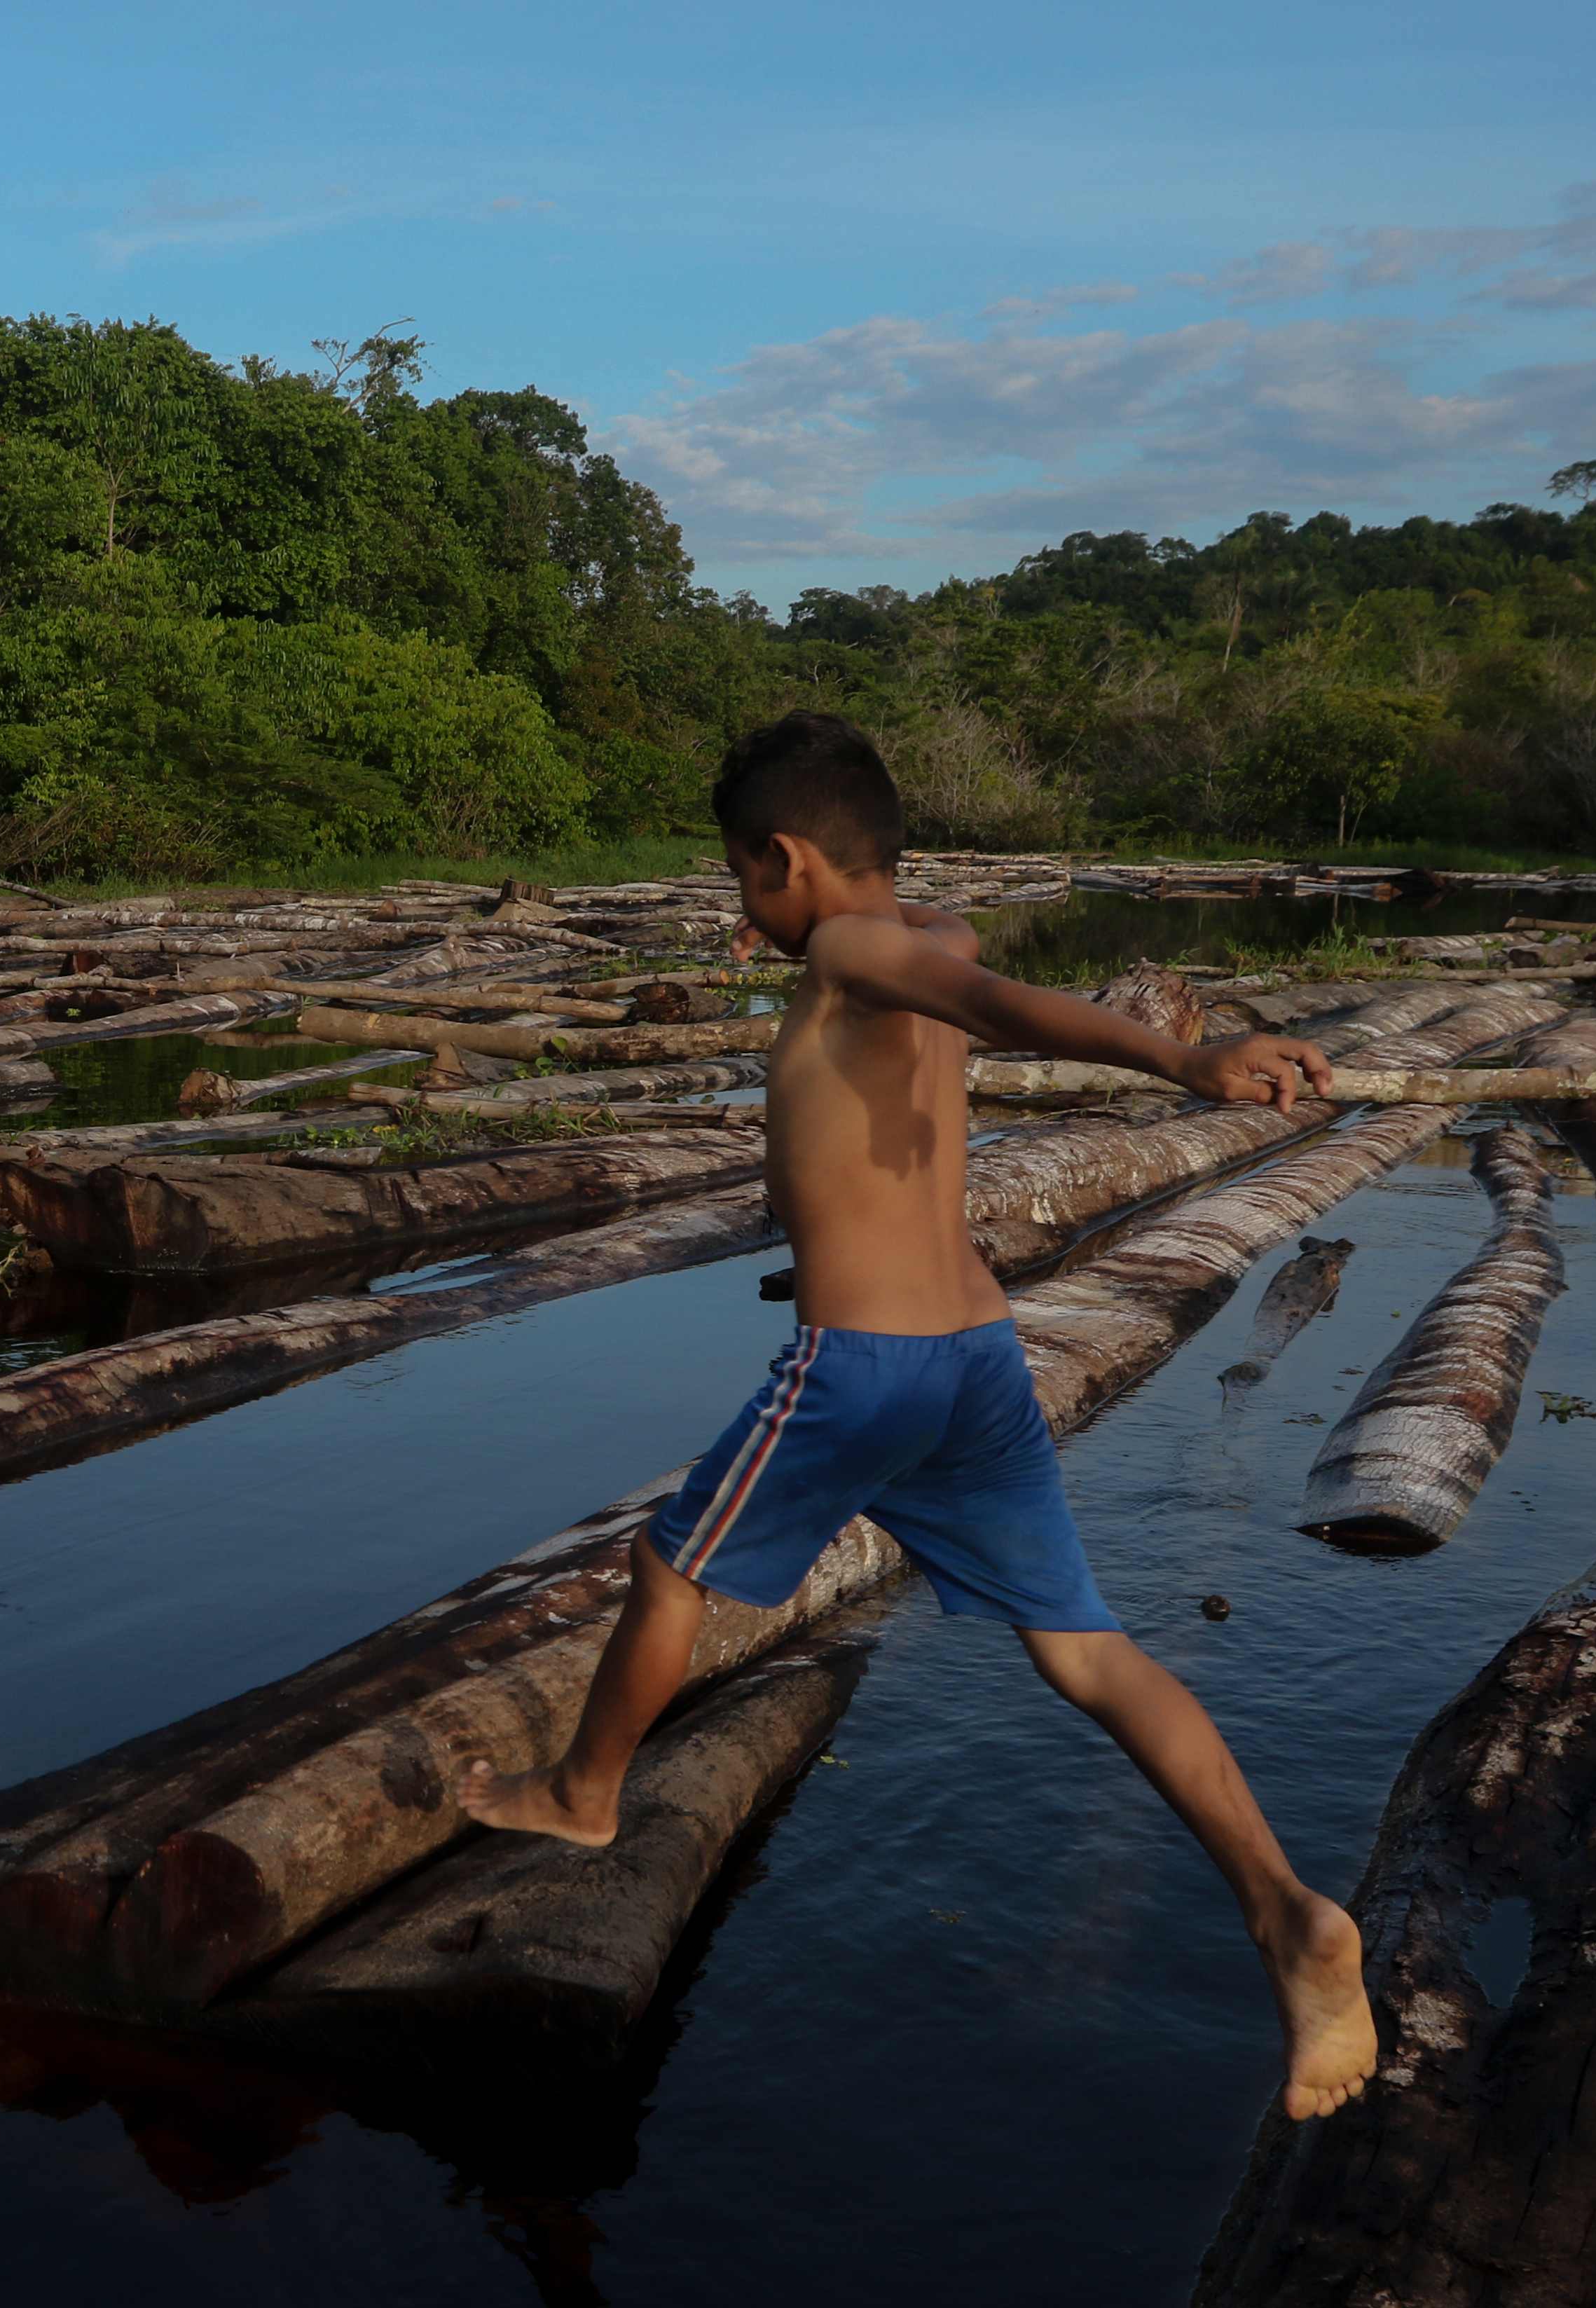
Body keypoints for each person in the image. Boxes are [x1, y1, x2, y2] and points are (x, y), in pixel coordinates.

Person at [456, 710, 1379, 2122]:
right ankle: (1283, 1910)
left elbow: (1003, 1011)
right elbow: (970, 982)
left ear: (786, 863)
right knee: (1088, 1654)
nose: (740, 908)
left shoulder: (845, 951)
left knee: (667, 1569)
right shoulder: (931, 931)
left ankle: (586, 1790)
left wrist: (1177, 1062)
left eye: (737, 878)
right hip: (975, 1360)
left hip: (862, 1370)